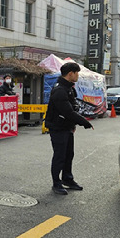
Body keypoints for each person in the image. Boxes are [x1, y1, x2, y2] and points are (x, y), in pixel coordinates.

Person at [45, 62, 93, 195]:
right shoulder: (59, 90)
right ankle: (56, 183)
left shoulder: (69, 88)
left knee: (68, 155)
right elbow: (68, 112)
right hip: (58, 127)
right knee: (59, 156)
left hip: (66, 127)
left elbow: (73, 106)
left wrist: (73, 124)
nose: (78, 76)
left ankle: (68, 179)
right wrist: (85, 122)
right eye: (77, 73)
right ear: (70, 73)